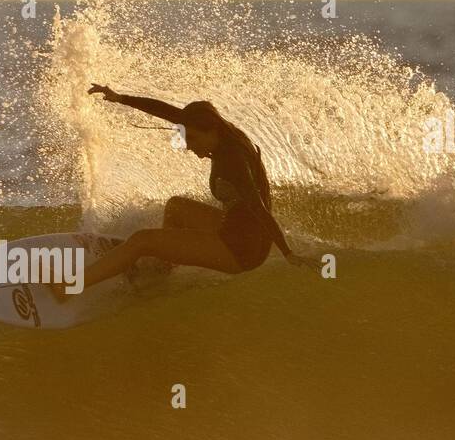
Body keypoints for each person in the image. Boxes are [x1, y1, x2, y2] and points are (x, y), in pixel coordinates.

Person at [50, 85, 317, 300]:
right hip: (236, 227)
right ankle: (160, 273)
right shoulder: (219, 132)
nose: (189, 146)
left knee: (142, 240)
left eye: (193, 139)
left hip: (242, 248)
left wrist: (288, 253)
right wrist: (120, 98)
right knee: (176, 206)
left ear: (210, 130)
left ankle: (69, 287)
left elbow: (259, 208)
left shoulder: (233, 160)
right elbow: (166, 111)